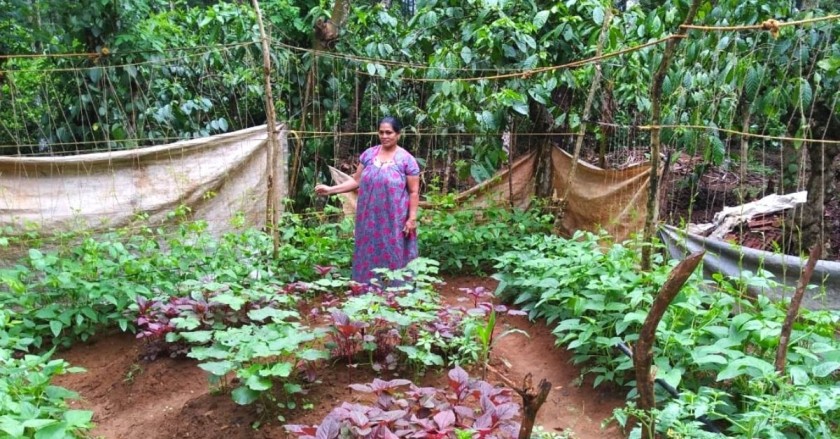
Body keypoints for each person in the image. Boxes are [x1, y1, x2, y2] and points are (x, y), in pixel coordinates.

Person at [315, 117, 420, 283]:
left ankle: (397, 292)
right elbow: (356, 181)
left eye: (389, 132)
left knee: (395, 252)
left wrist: (411, 218)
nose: (385, 136)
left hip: (395, 220)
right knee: (368, 251)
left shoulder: (407, 160)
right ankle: (366, 289)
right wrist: (330, 190)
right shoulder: (369, 155)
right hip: (369, 219)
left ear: (398, 134)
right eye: (381, 132)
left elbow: (414, 192)